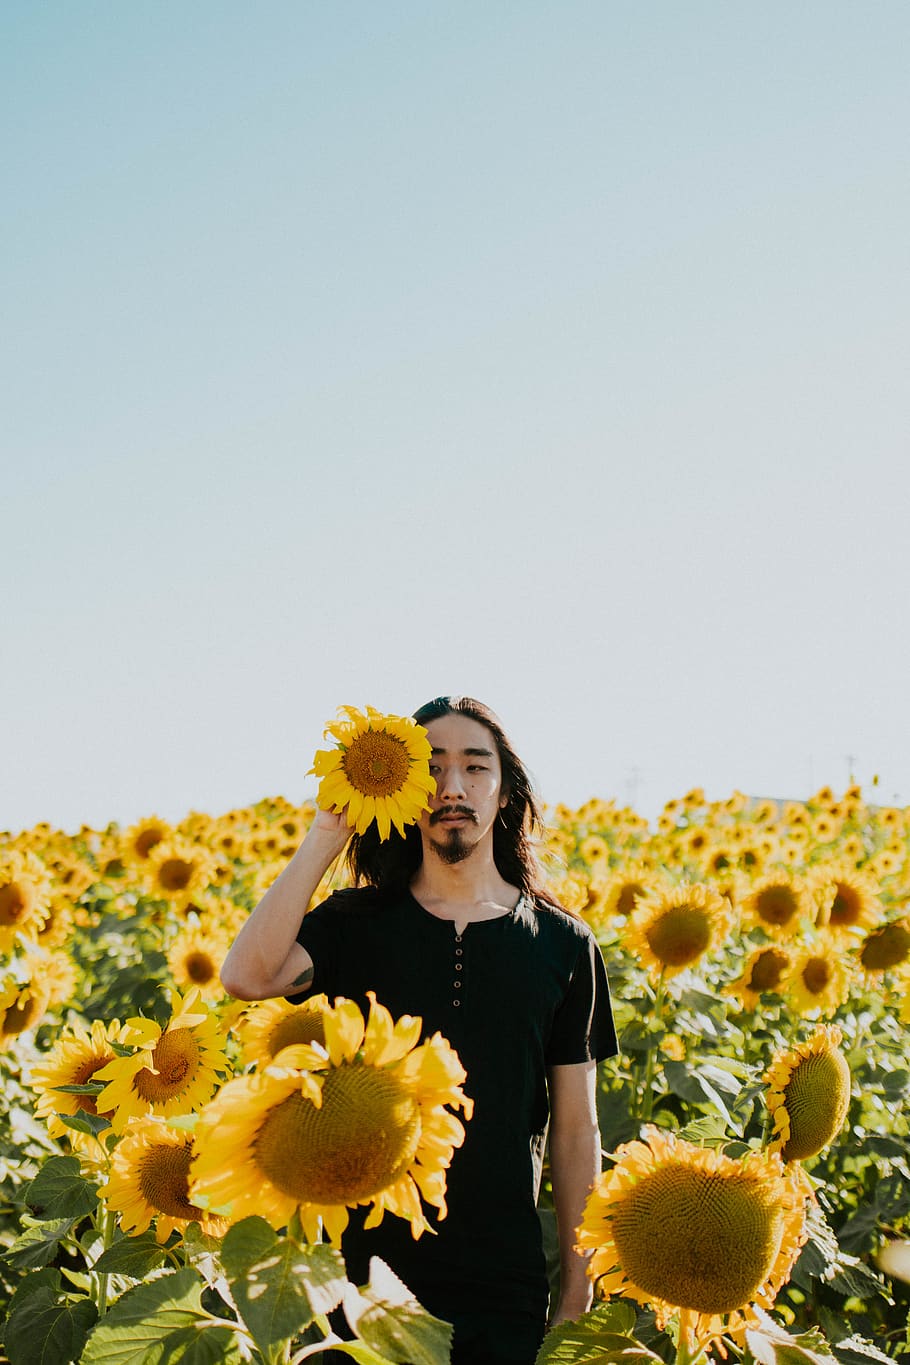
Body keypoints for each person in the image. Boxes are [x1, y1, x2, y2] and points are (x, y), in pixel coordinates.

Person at [220, 696, 618, 1365]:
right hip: (362, 1283)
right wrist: (328, 834)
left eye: (474, 766)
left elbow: (577, 1130)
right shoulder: (354, 923)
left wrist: (576, 1296)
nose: (452, 787)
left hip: (504, 1285)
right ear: (404, 792)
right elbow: (248, 975)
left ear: (505, 789)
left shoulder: (562, 944)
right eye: (430, 769)